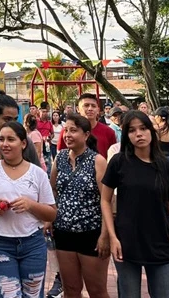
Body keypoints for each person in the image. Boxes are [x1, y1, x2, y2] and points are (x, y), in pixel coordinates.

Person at [101, 110, 169, 298]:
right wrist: (112, 237)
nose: (138, 134)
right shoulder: (119, 162)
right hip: (125, 242)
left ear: (152, 131)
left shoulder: (168, 168)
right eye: (132, 130)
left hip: (159, 242)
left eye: (143, 128)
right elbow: (105, 199)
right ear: (126, 135)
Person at [0, 122, 57, 298]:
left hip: (33, 244)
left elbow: (51, 213)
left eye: (11, 139)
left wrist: (31, 205)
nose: (5, 144)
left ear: (23, 143)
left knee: (33, 295)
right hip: (0, 244)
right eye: (1, 139)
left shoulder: (38, 174)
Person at [0, 94, 40, 298]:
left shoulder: (24, 140)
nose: (12, 124)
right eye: (7, 119)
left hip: (18, 224)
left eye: (15, 119)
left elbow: (36, 173)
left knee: (9, 285)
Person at [50, 113, 110, 298]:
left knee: (97, 291)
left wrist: (105, 235)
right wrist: (52, 217)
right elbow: (52, 190)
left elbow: (107, 200)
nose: (67, 134)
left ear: (86, 135)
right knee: (71, 290)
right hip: (63, 233)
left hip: (91, 234)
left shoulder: (97, 161)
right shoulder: (59, 158)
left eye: (73, 130)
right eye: (66, 130)